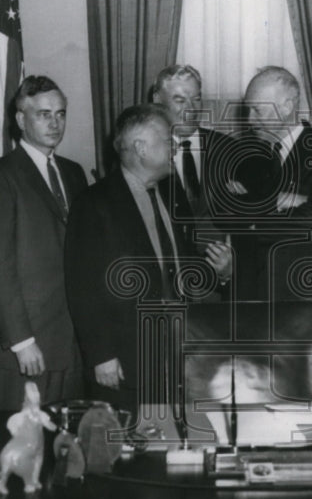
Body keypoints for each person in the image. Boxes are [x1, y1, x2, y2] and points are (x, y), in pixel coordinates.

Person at [65, 104, 233, 412]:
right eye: (166, 139)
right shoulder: (94, 203)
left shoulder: (172, 193)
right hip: (126, 359)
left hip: (179, 353)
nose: (175, 145)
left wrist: (220, 273)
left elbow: (181, 265)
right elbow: (82, 287)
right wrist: (101, 354)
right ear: (140, 147)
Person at [0, 75, 88, 410]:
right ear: (21, 119)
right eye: (43, 114)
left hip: (71, 343)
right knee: (20, 449)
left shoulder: (74, 172)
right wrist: (22, 341)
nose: (55, 122)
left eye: (61, 113)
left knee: (65, 446)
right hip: (27, 347)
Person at [231, 66, 312, 300]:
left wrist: (256, 222)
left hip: (303, 296)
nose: (249, 120)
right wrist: (290, 204)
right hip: (252, 294)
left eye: (257, 110)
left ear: (287, 107)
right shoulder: (249, 158)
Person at [150, 64, 236, 232]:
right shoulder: (146, 156)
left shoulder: (228, 148)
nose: (191, 109)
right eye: (180, 100)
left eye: (196, 99)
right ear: (158, 101)